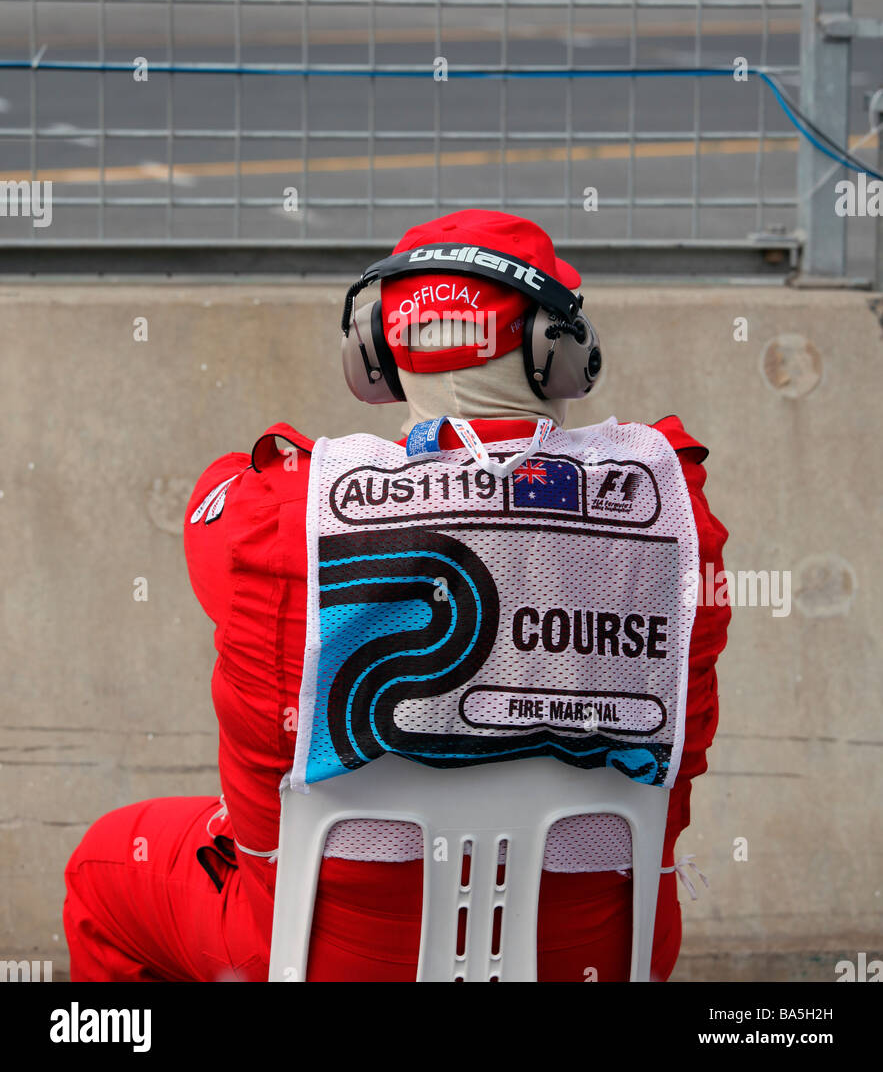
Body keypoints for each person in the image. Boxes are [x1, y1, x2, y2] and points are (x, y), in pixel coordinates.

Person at [63, 209, 730, 982]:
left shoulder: (274, 516)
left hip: (324, 956)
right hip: (595, 954)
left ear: (374, 353)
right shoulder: (681, 514)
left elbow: (215, 499)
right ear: (560, 352)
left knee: (106, 866)